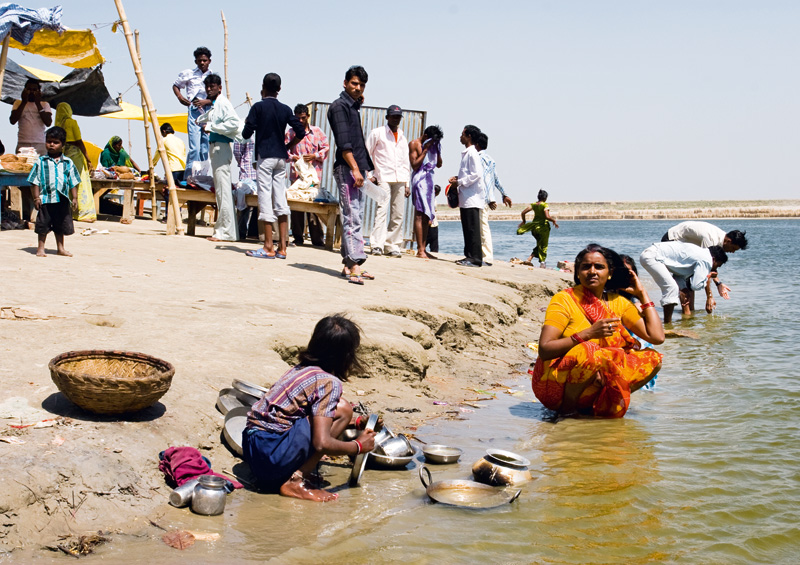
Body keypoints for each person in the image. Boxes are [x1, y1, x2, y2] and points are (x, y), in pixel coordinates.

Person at [243, 314, 377, 501]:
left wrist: (354, 424)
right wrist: (358, 446)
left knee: (342, 411)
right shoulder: (329, 382)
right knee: (344, 409)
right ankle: (297, 481)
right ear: (346, 356)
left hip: (254, 452)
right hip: (271, 456)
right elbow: (321, 443)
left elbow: (300, 414)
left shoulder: (300, 369)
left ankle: (290, 472)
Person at [531, 244, 664, 417]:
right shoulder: (564, 299)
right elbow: (545, 349)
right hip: (555, 384)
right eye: (586, 267)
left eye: (599, 267)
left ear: (609, 273)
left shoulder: (619, 303)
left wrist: (642, 294)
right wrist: (588, 334)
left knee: (652, 359)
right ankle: (568, 412)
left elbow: (657, 337)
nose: (592, 271)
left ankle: (605, 401)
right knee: (591, 350)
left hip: (596, 381)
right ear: (578, 273)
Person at [241, 73, 305, 259]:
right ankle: (282, 248)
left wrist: (248, 123)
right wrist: (288, 146)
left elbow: (246, 134)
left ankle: (268, 246)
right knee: (280, 200)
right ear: (279, 89)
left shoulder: (258, 107)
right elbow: (300, 131)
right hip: (280, 158)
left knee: (264, 199)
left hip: (265, 157)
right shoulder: (285, 109)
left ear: (263, 87)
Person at [327, 66, 375, 284]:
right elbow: (344, 143)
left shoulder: (352, 106)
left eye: (362, 85)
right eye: (354, 84)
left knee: (357, 215)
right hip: (347, 168)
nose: (358, 88)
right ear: (345, 82)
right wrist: (355, 168)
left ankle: (350, 265)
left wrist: (362, 169)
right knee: (351, 216)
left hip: (357, 167)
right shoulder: (339, 107)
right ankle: (354, 263)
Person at [196, 73, 243, 242]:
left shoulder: (223, 103)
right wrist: (203, 120)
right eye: (207, 87)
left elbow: (233, 123)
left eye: (212, 86)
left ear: (219, 88)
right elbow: (212, 118)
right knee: (221, 192)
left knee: (224, 191)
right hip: (216, 148)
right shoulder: (216, 105)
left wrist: (211, 127)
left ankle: (227, 232)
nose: (209, 89)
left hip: (221, 148)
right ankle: (223, 230)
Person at [639, 241, 728, 323]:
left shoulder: (701, 254)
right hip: (653, 257)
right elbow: (696, 285)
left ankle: (666, 323)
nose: (715, 269)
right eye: (717, 265)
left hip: (650, 254)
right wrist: (709, 276)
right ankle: (668, 325)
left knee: (673, 287)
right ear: (714, 259)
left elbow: (679, 274)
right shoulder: (707, 259)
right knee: (672, 288)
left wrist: (684, 288)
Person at [661, 220, 747, 303]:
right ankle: (687, 311)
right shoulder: (711, 240)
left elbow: (711, 267)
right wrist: (709, 297)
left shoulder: (723, 239)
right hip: (672, 239)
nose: (732, 252)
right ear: (729, 241)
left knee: (691, 274)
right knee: (686, 274)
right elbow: (706, 268)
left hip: (684, 242)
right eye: (733, 248)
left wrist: (718, 283)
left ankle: (689, 312)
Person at [27, 127, 80, 257]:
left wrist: (74, 198)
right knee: (43, 225)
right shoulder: (41, 162)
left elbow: (73, 181)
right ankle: (41, 248)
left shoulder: (68, 163)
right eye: (49, 141)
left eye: (55, 142)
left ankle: (60, 248)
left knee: (60, 224)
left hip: (61, 199)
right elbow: (35, 181)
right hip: (45, 198)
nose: (51, 145)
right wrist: (36, 197)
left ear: (62, 145)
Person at [366, 105, 410, 257]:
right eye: (393, 116)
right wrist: (369, 175)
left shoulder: (403, 137)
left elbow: (405, 162)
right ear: (387, 117)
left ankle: (392, 246)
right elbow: (367, 153)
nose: (396, 119)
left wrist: (407, 183)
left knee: (398, 213)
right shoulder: (377, 133)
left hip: (400, 178)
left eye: (398, 117)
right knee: (382, 210)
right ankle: (377, 245)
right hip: (383, 176)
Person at [9, 78, 52, 224]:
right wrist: (23, 101)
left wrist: (38, 102)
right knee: (22, 180)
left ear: (40, 91)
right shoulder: (18, 103)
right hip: (22, 145)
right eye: (29, 89)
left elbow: (48, 122)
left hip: (40, 145)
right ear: (24, 90)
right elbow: (13, 120)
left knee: (39, 179)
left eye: (35, 89)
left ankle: (39, 213)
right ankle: (27, 213)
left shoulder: (45, 105)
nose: (32, 92)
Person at [286, 103, 329, 247]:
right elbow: (284, 151)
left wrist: (315, 155)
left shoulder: (317, 132)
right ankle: (298, 237)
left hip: (313, 175)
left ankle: (317, 239)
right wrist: (293, 158)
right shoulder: (290, 133)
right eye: (297, 118)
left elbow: (326, 148)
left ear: (308, 117)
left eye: (303, 118)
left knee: (313, 206)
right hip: (296, 175)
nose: (300, 121)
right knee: (297, 206)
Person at [173, 47, 212, 180]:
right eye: (200, 60)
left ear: (209, 61)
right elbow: (176, 85)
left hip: (208, 110)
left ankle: (202, 177)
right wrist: (180, 97)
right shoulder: (189, 73)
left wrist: (205, 101)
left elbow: (217, 96)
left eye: (204, 60)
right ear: (196, 61)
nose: (202, 63)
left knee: (204, 148)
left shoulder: (212, 76)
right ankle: (189, 176)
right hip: (194, 110)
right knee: (194, 147)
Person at [448, 125, 485, 267]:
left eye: (462, 134)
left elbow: (476, 174)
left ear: (468, 136)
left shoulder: (472, 153)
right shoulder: (467, 153)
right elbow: (469, 173)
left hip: (472, 197)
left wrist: (459, 182)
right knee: (468, 228)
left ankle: (474, 258)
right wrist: (458, 178)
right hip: (466, 197)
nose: (460, 137)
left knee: (472, 229)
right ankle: (469, 256)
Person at [474, 133, 512, 266]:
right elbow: (495, 179)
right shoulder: (490, 159)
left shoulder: (479, 159)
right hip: (484, 198)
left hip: (481, 198)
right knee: (482, 226)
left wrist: (490, 198)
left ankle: (487, 257)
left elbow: (483, 179)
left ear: (476, 144)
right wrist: (504, 194)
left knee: (482, 227)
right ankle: (483, 255)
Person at [54, 103, 95, 223]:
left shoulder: (58, 125)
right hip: (75, 154)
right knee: (79, 182)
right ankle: (82, 213)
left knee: (67, 182)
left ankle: (68, 211)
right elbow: (79, 141)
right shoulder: (72, 122)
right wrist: (88, 159)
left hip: (64, 154)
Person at [409, 125, 443, 259]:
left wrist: (437, 150)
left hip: (429, 180)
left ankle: (423, 248)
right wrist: (425, 151)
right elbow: (415, 165)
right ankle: (419, 249)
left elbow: (439, 164)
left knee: (427, 216)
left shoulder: (434, 146)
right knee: (419, 214)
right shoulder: (414, 144)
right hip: (419, 180)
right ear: (425, 136)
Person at [152, 123, 186, 222]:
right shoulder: (180, 141)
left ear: (163, 131)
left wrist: (152, 166)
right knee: (177, 194)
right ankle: (177, 215)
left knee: (169, 193)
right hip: (182, 168)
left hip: (172, 169)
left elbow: (157, 155)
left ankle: (169, 216)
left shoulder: (164, 140)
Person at [518, 189, 558, 268]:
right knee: (543, 245)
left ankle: (529, 258)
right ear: (545, 198)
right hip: (543, 228)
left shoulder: (533, 204)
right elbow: (547, 216)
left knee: (540, 244)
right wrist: (553, 220)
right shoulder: (544, 205)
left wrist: (524, 221)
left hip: (534, 228)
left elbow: (523, 212)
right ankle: (542, 263)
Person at [232, 138, 259, 240]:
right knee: (245, 202)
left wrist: (242, 162)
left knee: (245, 202)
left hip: (252, 171)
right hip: (249, 171)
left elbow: (237, 151)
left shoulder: (246, 130)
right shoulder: (246, 130)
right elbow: (237, 151)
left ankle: (245, 232)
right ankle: (244, 231)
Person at [425, 185, 442, 253]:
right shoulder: (431, 199)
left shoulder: (430, 198)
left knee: (430, 240)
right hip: (431, 222)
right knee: (433, 240)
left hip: (432, 222)